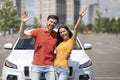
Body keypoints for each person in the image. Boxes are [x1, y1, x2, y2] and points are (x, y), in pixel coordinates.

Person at [19, 11, 59, 80]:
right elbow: (22, 36)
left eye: (54, 23)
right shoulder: (38, 31)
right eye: (51, 21)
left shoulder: (56, 35)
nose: (52, 24)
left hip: (50, 66)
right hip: (37, 66)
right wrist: (23, 23)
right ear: (47, 21)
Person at [54, 8, 87, 80]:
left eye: (64, 31)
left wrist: (80, 17)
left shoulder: (71, 41)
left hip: (63, 69)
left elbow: (75, 28)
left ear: (68, 31)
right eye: (61, 32)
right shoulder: (60, 43)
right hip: (55, 68)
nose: (62, 33)